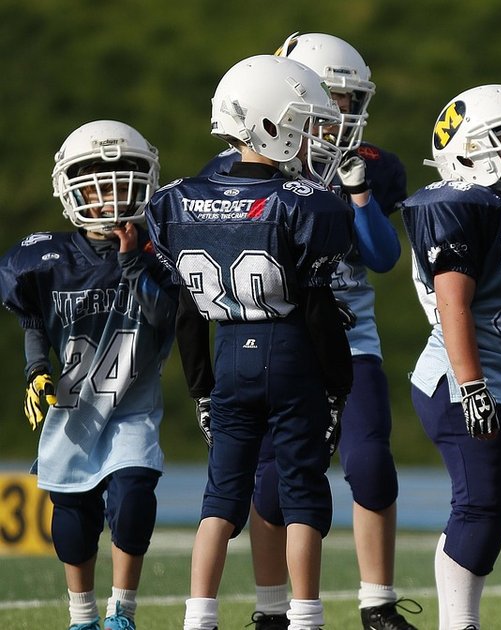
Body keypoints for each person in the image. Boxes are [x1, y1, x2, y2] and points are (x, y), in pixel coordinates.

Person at [199, 32, 416, 630]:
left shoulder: (367, 165)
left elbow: (380, 257)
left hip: (351, 337)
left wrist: (358, 192)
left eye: (349, 100)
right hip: (275, 342)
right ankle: (272, 609)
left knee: (369, 463)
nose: (340, 113)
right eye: (329, 97)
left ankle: (377, 602)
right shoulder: (234, 170)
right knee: (270, 483)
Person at [145, 54, 355, 630]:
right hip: (289, 352)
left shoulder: (176, 201)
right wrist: (339, 385)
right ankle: (307, 616)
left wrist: (201, 389)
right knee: (303, 493)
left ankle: (199, 615)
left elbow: (187, 310)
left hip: (227, 352)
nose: (314, 134)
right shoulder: (304, 203)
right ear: (271, 122)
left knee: (221, 501)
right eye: (304, 121)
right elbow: (316, 310)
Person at [0, 120, 172, 630]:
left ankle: (123, 612)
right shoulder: (45, 260)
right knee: (72, 523)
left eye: (124, 182)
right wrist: (36, 371)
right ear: (71, 190)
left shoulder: (159, 252)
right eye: (98, 186)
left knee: (134, 495)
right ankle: (82, 617)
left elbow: (167, 315)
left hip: (133, 404)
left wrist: (133, 264)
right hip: (74, 409)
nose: (112, 198)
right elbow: (34, 319)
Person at [401, 83, 501, 630]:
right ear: (469, 151)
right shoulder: (459, 204)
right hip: (462, 376)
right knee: (479, 505)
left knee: (496, 509)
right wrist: (473, 384)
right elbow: (453, 303)